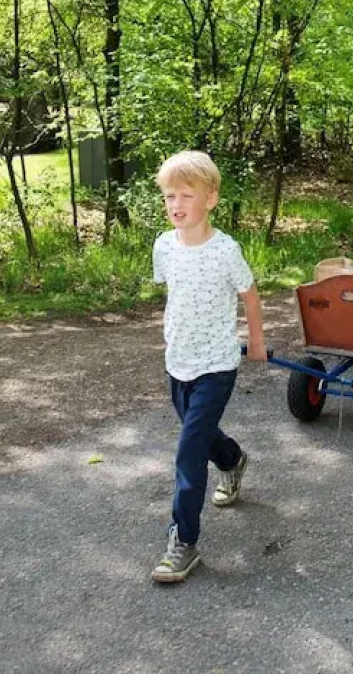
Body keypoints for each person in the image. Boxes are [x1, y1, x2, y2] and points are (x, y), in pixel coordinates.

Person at [149, 150, 267, 584]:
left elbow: (249, 294)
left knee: (188, 451)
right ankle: (233, 460)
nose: (176, 204)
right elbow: (173, 296)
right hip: (177, 363)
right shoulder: (163, 246)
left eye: (185, 195)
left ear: (211, 199)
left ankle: (183, 542)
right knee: (199, 438)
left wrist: (255, 341)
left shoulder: (224, 250)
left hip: (217, 364)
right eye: (169, 197)